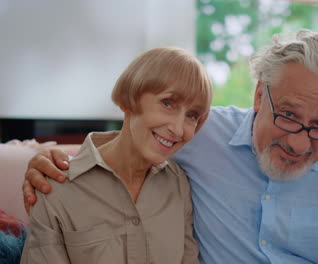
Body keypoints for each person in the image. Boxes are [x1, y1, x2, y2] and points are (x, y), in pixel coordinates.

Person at [23, 30, 318, 263]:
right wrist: (47, 159)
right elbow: (128, 142)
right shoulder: (197, 131)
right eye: (288, 115)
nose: (299, 141)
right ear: (259, 95)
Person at [20, 47, 212, 263]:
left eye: (192, 115)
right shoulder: (56, 189)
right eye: (167, 103)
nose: (178, 129)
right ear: (128, 100)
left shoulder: (178, 184)